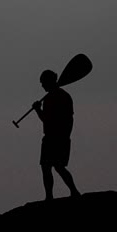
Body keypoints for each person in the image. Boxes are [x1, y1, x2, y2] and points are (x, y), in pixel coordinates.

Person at [32, 69, 81, 201]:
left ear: (49, 81)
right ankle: (67, 193)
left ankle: (54, 196)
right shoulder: (61, 96)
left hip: (55, 138)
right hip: (58, 137)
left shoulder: (55, 98)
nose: (42, 85)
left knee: (53, 167)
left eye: (43, 82)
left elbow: (48, 119)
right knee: (53, 167)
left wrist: (38, 110)